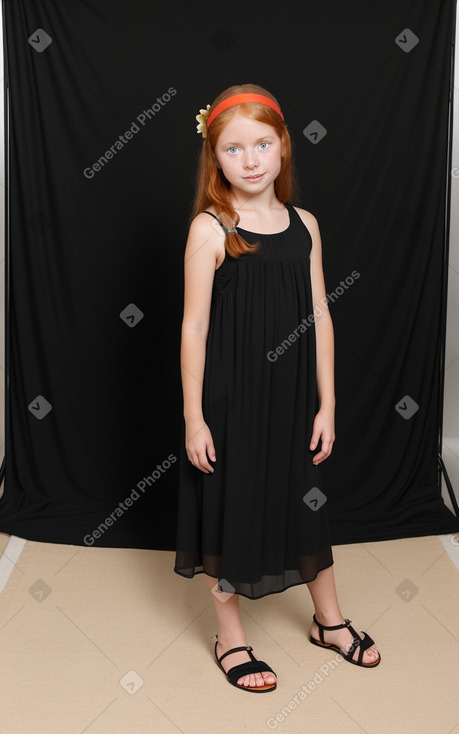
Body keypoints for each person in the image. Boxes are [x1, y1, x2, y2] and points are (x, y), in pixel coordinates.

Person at [174, 83, 380, 693]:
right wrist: (194, 417)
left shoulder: (305, 225)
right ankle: (230, 636)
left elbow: (320, 311)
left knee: (306, 500)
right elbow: (192, 327)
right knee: (229, 506)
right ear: (216, 159)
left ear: (284, 147)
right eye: (235, 150)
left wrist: (328, 403)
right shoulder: (211, 230)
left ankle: (330, 621)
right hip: (230, 401)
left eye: (263, 144)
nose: (253, 159)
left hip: (293, 400)